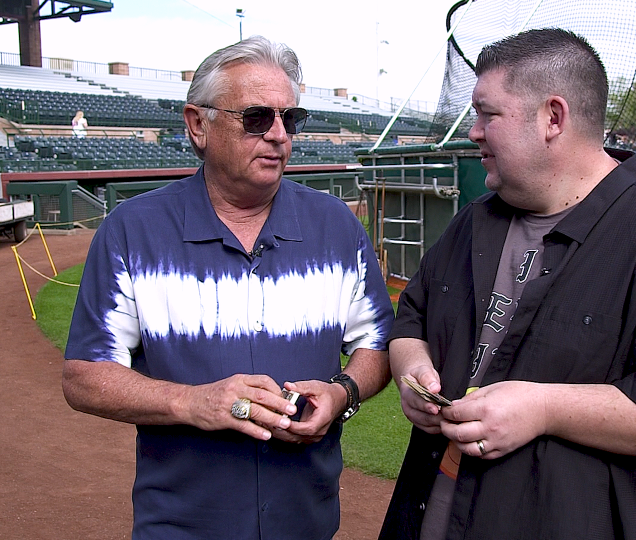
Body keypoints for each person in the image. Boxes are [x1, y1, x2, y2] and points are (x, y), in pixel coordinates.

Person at [379, 28, 636, 540]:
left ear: (552, 118)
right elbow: (412, 317)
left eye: (488, 113)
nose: (473, 131)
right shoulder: (474, 222)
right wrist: (412, 368)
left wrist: (544, 408)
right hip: (438, 507)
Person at [62, 36, 394, 540]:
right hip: (180, 528)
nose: (279, 135)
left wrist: (342, 392)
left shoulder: (336, 225)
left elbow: (377, 344)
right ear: (199, 124)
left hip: (308, 523)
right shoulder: (134, 229)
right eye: (257, 118)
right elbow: (84, 376)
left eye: (291, 119)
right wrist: (192, 403)